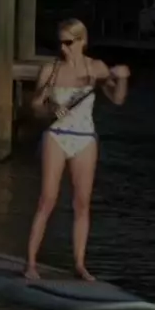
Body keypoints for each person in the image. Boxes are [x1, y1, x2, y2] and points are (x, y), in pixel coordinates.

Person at [23, 18, 130, 281]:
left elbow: (117, 99)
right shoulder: (51, 70)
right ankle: (31, 264)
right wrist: (50, 108)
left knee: (82, 203)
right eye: (60, 43)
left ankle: (80, 265)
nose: (63, 48)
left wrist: (122, 79)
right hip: (57, 136)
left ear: (82, 41)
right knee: (47, 200)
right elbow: (35, 106)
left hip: (84, 138)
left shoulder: (96, 68)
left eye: (68, 42)